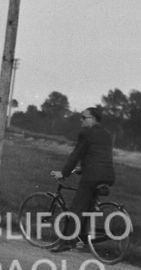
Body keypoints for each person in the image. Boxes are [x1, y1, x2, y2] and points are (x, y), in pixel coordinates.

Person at [49, 106, 116, 252]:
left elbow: (76, 155)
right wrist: (83, 168)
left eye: (84, 118)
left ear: (93, 119)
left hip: (92, 176)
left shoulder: (86, 133)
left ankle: (67, 242)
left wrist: (64, 173)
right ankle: (81, 239)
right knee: (87, 208)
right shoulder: (106, 134)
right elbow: (97, 155)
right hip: (108, 175)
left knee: (76, 209)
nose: (81, 120)